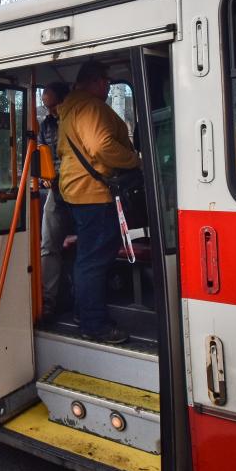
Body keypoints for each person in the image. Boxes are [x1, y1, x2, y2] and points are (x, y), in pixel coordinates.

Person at [56, 60, 138, 344]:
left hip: (76, 190)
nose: (107, 86)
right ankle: (94, 324)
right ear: (96, 81)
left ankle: (83, 313)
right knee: (94, 260)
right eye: (106, 81)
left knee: (87, 257)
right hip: (93, 192)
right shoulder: (91, 107)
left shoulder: (70, 109)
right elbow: (102, 147)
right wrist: (136, 160)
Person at [38, 80, 71, 323]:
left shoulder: (74, 119)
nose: (42, 95)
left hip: (79, 184)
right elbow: (41, 153)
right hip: (55, 186)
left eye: (46, 91)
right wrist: (43, 176)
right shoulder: (45, 124)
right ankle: (48, 301)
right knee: (48, 243)